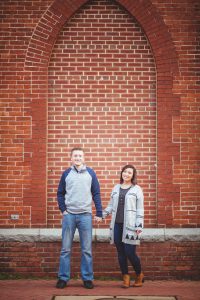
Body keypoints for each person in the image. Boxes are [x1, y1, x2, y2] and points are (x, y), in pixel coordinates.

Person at [56, 147, 103, 289]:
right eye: (75, 156)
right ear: (71, 158)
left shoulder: (91, 173)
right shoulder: (66, 174)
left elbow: (96, 193)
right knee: (65, 249)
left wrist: (99, 212)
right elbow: (60, 193)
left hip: (85, 216)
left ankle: (87, 278)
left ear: (84, 158)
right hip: (69, 215)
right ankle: (63, 278)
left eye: (80, 156)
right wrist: (63, 210)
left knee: (87, 249)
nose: (77, 158)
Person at [103, 164, 144, 288]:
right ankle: (125, 278)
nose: (126, 174)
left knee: (130, 252)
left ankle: (139, 274)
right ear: (122, 173)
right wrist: (103, 214)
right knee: (120, 252)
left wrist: (139, 226)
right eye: (125, 172)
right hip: (116, 225)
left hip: (131, 226)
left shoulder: (137, 189)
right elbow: (111, 205)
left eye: (129, 173)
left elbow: (140, 209)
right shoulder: (116, 188)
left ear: (133, 175)